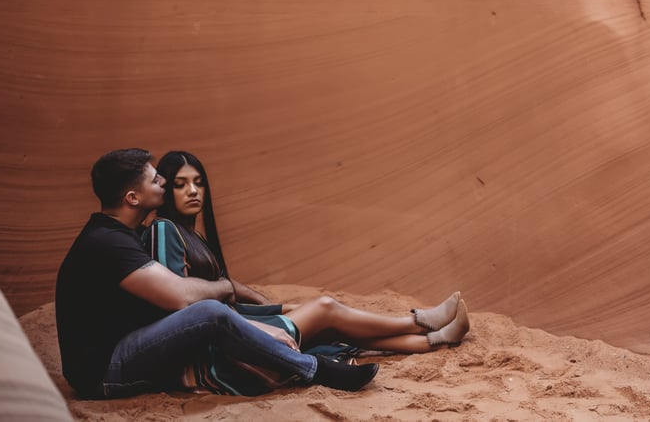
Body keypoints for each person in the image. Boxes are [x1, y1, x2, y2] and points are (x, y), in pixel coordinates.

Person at [55, 148, 379, 399]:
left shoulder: (117, 234)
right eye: (156, 180)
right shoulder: (108, 242)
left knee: (213, 313)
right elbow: (179, 296)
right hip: (103, 372)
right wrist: (223, 286)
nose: (164, 183)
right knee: (208, 312)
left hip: (122, 350)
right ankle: (314, 369)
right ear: (132, 197)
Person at [145, 151, 469, 390]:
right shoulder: (164, 229)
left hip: (230, 336)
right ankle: (419, 321)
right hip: (213, 358)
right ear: (165, 191)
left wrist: (277, 308)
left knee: (333, 328)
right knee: (327, 308)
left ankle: (435, 338)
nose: (193, 191)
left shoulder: (192, 235)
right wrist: (264, 317)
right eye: (180, 184)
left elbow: (225, 304)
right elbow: (185, 308)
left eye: (199, 183)